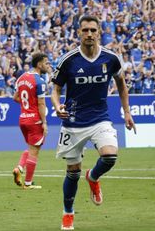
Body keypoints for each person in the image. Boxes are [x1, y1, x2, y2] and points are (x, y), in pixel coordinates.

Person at [51, 15, 136, 230]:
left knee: (110, 156)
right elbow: (56, 89)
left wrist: (127, 112)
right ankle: (68, 213)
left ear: (99, 33)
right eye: (85, 30)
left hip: (100, 118)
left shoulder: (111, 58)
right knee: (72, 171)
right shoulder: (68, 60)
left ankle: (93, 176)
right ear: (78, 33)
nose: (89, 34)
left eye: (93, 30)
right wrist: (57, 106)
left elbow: (122, 86)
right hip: (73, 121)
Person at [12, 52, 51, 189]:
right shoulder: (40, 82)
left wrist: (27, 106)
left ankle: (19, 168)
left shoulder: (22, 78)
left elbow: (15, 98)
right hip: (35, 121)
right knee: (35, 151)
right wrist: (44, 122)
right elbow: (41, 104)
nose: (48, 65)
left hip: (23, 119)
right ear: (39, 64)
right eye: (46, 62)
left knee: (31, 148)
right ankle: (28, 184)